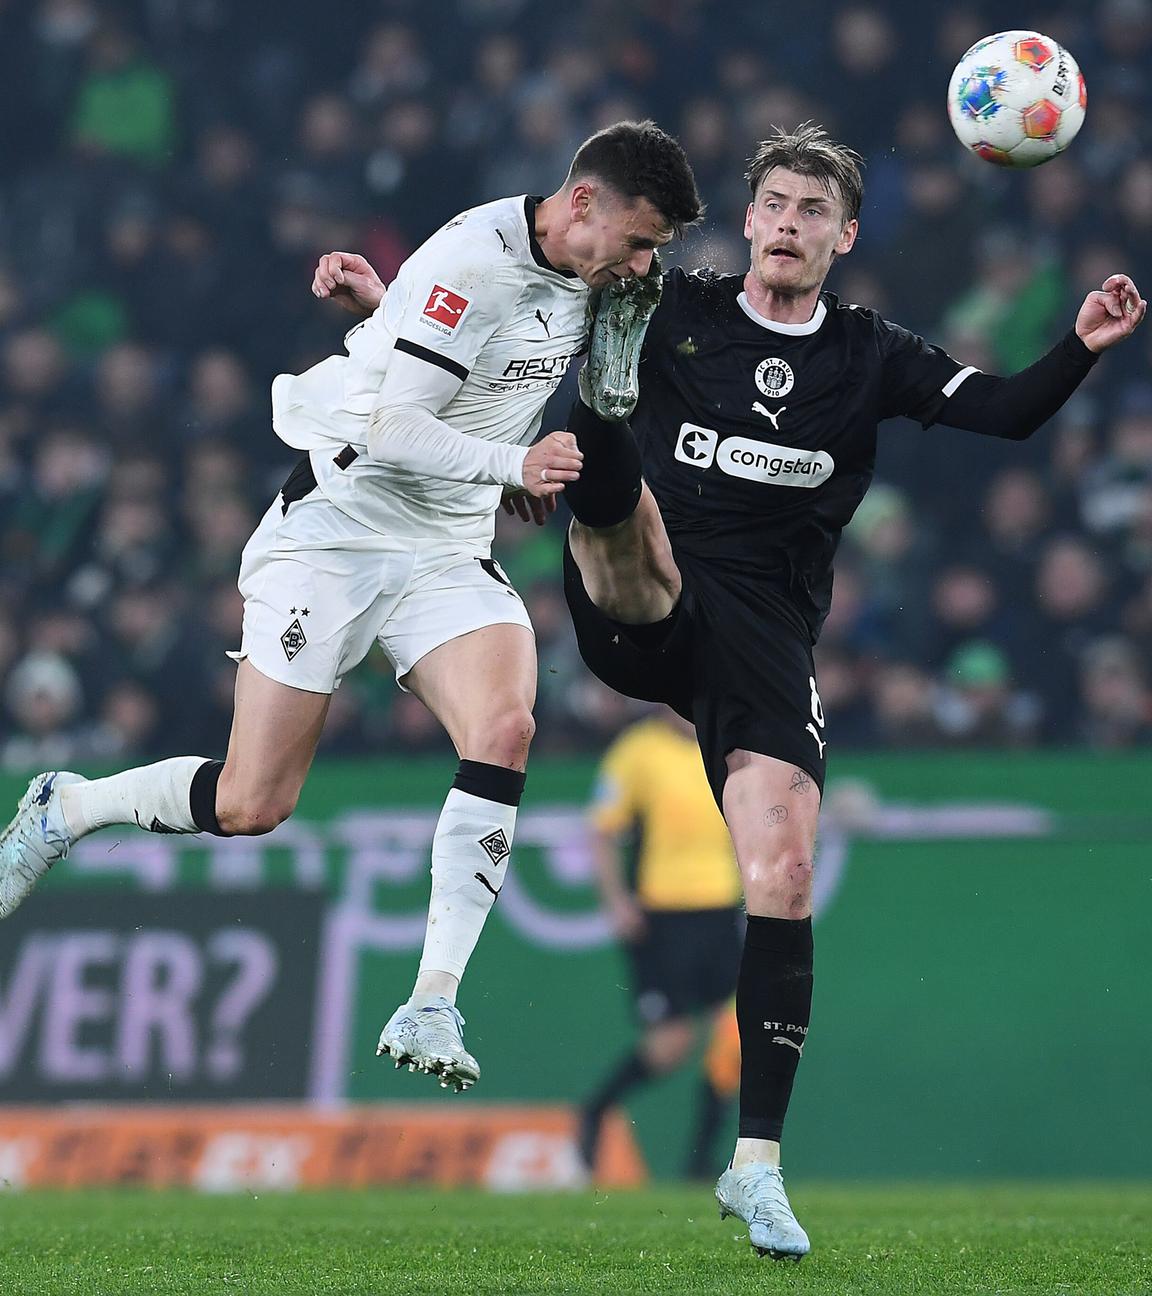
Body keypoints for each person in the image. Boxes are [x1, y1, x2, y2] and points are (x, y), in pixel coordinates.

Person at [0, 121, 704, 1094]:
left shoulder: (576, 275)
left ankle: (432, 1000)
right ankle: (67, 807)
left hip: (446, 548)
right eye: (639, 236)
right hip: (337, 530)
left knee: (504, 724)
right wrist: (515, 463)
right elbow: (392, 422)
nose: (645, 260)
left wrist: (390, 308)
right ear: (583, 202)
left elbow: (453, 353)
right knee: (254, 803)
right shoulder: (472, 255)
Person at [555, 124, 1146, 1258]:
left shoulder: (872, 354)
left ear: (844, 235)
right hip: (651, 602)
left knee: (782, 872)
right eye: (773, 203)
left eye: (811, 212)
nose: (787, 224)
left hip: (769, 638)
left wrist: (1080, 344)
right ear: (749, 216)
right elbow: (525, 314)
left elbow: (1009, 413)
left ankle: (757, 1168)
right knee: (619, 486)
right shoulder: (676, 306)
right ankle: (594, 456)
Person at [577, 706, 743, 1182]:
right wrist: (615, 901)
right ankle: (595, 1111)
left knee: (733, 1034)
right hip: (662, 915)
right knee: (671, 1045)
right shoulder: (637, 751)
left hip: (720, 911)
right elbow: (602, 830)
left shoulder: (726, 743)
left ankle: (702, 1161)